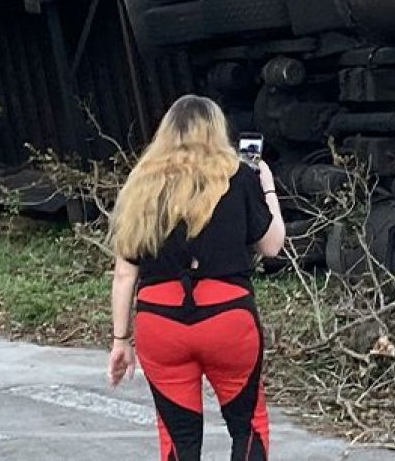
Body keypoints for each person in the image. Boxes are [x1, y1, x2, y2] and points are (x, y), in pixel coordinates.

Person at [108, 94, 285, 461]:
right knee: (248, 425)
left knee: (178, 439)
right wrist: (266, 186)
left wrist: (120, 340)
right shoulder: (238, 175)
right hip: (228, 319)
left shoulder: (142, 183)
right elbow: (271, 247)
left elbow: (125, 273)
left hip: (160, 323)